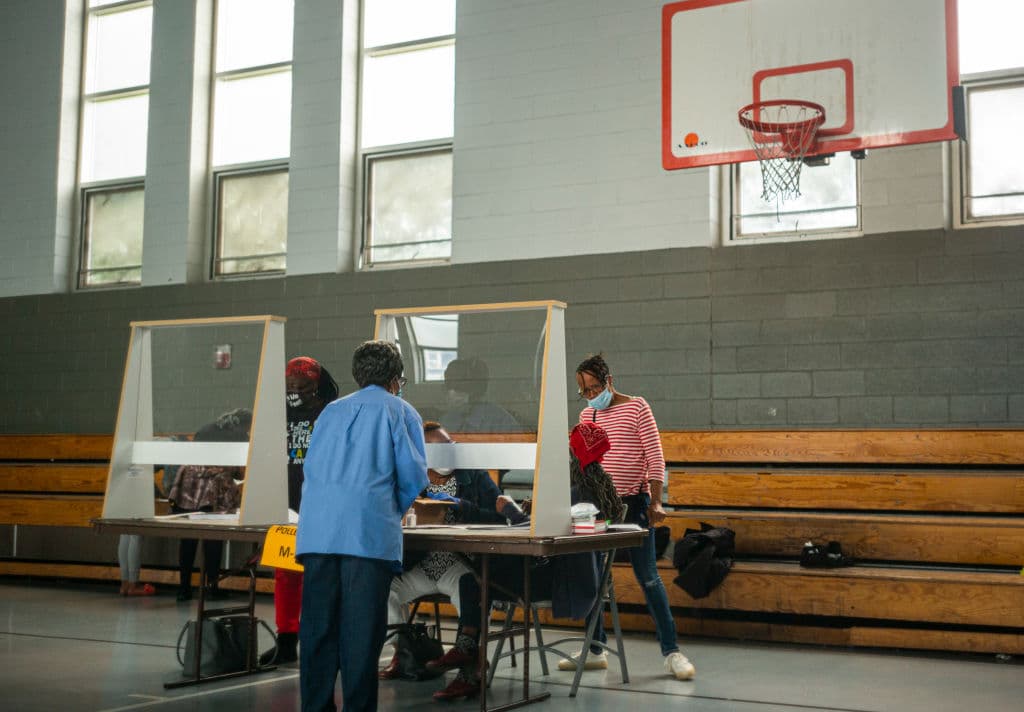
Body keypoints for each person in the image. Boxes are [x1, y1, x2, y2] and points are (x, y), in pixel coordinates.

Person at [427, 427, 623, 701]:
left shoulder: (577, 493)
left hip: (560, 580)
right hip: (572, 573)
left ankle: (467, 658)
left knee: (473, 579)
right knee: (475, 578)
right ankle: (468, 654)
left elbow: (539, 532)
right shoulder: (599, 488)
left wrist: (510, 509)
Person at [296, 340, 428, 712]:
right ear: (394, 379)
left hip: (319, 532)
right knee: (361, 635)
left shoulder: (329, 413)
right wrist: (387, 510)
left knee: (318, 631)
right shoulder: (401, 412)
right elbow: (413, 477)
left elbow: (312, 469)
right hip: (366, 537)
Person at [566, 353, 695, 681]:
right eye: (585, 391)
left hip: (633, 505)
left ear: (609, 380)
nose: (592, 395)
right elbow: (586, 465)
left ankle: (672, 652)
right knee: (591, 575)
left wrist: (656, 502)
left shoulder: (637, 407)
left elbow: (655, 458)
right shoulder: (588, 413)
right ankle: (596, 648)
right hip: (597, 506)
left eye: (595, 387)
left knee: (648, 576)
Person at [379, 421, 524, 681]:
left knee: (475, 596)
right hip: (421, 565)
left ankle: (472, 662)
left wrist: (460, 506)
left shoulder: (474, 476)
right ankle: (404, 652)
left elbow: (498, 517)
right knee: (380, 589)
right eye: (436, 450)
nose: (446, 454)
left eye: (448, 446)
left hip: (458, 565)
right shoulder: (412, 480)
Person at [259, 356, 339, 666]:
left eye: (302, 386)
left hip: (322, 504)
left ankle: (320, 639)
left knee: (319, 575)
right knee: (285, 574)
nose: (295, 391)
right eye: (290, 386)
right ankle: (286, 639)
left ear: (316, 385)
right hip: (287, 503)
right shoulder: (279, 415)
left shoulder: (331, 413)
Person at [167, 408, 251, 602]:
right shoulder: (240, 435)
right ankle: (211, 587)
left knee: (188, 540)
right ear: (245, 424)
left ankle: (184, 589)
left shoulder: (205, 428)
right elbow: (239, 471)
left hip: (187, 486)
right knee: (213, 538)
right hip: (213, 488)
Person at [439, 357, 521, 433]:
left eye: (458, 388)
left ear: (476, 391)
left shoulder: (502, 423)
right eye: (449, 386)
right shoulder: (447, 420)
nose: (451, 394)